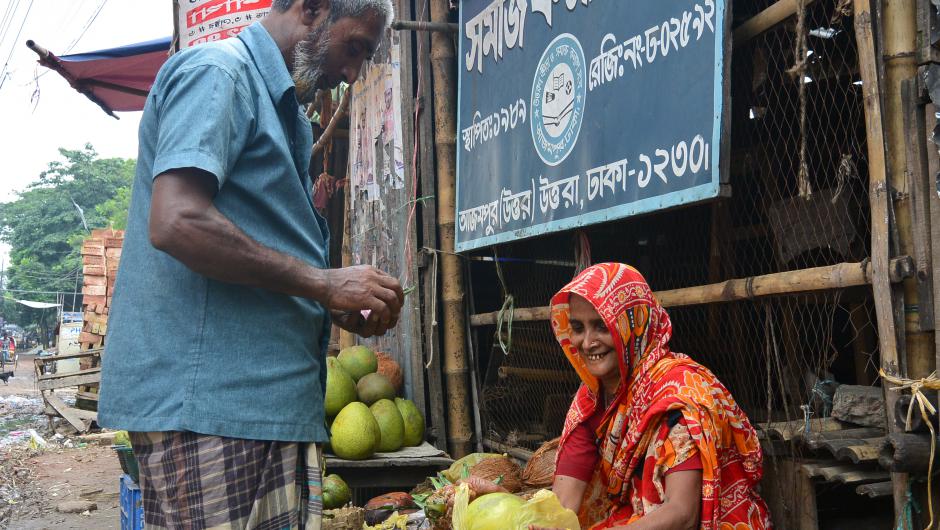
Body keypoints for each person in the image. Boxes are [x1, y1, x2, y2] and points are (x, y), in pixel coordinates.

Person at [98, 1, 400, 528]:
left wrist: (325, 301)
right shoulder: (219, 73)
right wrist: (322, 283)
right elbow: (177, 221)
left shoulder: (281, 112)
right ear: (312, 8)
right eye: (354, 47)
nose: (351, 74)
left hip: (260, 410)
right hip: (212, 410)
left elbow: (255, 248)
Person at [545, 263, 770, 530]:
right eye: (578, 328)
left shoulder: (679, 392)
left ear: (634, 323)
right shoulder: (591, 399)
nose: (587, 342)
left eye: (601, 326)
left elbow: (682, 514)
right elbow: (562, 505)